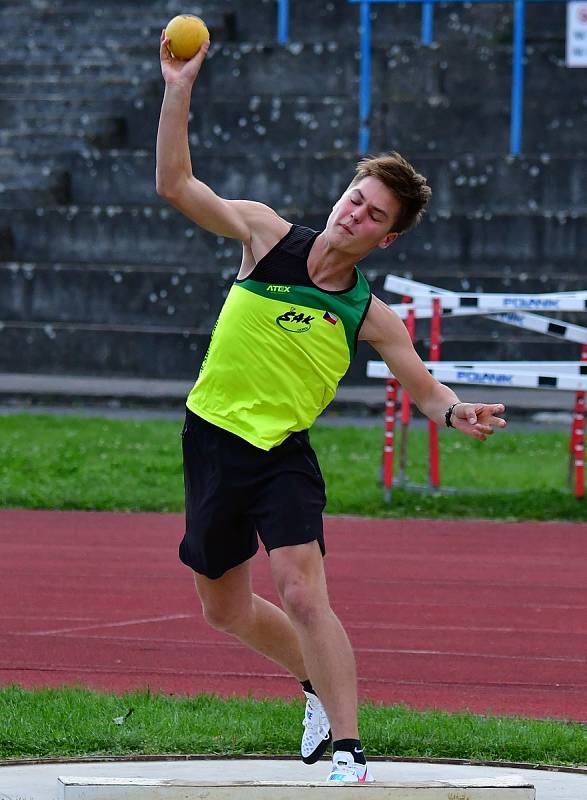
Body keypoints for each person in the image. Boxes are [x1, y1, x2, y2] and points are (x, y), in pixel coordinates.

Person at [156, 33, 507, 783]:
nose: (355, 214)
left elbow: (422, 388)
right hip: (213, 439)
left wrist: (454, 414)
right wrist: (177, 86)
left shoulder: (367, 313)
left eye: (373, 214)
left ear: (385, 236)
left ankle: (347, 748)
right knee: (224, 608)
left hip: (281, 455)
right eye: (355, 198)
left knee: (300, 586)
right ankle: (315, 686)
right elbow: (177, 186)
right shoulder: (261, 234)